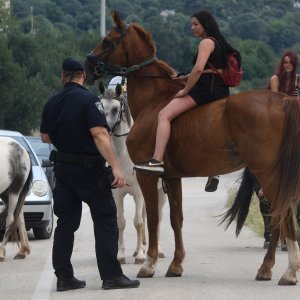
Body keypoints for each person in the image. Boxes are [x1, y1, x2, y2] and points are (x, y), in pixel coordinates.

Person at [40, 58, 140, 291]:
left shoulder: (52, 102)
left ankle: (64, 277)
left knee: (66, 223)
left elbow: (45, 137)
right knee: (105, 219)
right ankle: (111, 276)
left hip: (63, 169)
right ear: (83, 75)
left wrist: (69, 141)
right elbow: (99, 134)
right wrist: (115, 166)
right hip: (89, 170)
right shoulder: (88, 100)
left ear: (62, 76)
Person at [134, 10, 241, 193]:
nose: (192, 28)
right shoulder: (222, 44)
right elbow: (210, 70)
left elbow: (199, 69)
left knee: (164, 115)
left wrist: (185, 90)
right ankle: (214, 172)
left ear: (205, 25)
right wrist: (184, 77)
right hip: (221, 90)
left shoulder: (206, 42)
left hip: (205, 90)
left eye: (195, 24)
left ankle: (157, 160)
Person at [259, 51, 300, 250]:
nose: (287, 65)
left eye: (290, 62)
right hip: (280, 123)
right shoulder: (275, 79)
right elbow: (275, 104)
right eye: (284, 62)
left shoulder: (299, 81)